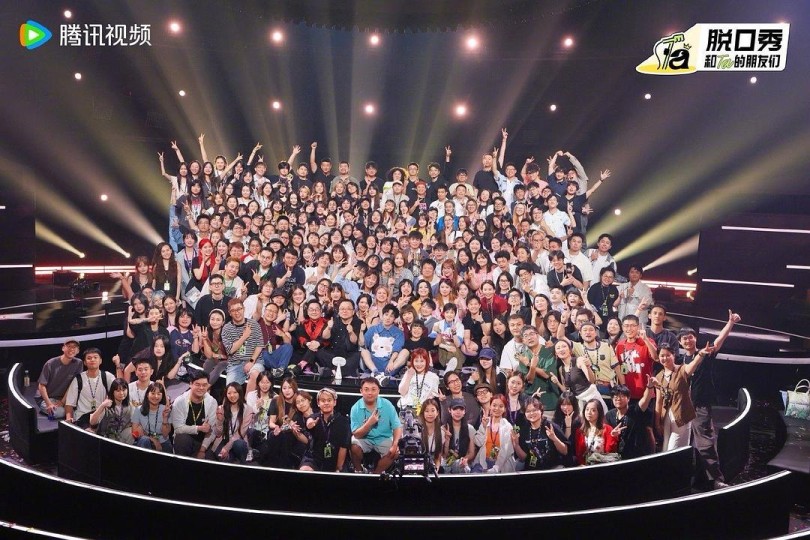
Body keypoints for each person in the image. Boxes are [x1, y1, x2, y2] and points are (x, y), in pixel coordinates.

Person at [676, 309, 741, 489]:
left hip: (699, 405)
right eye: (684, 339)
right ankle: (696, 478)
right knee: (688, 443)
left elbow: (719, 340)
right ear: (680, 342)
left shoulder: (705, 353)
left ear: (695, 338)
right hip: (682, 406)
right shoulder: (680, 359)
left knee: (705, 442)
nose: (688, 340)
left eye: (690, 337)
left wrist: (730, 323)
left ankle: (716, 480)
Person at [350, 376, 402, 474]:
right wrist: (369, 423)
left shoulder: (387, 404)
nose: (370, 393)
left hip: (384, 438)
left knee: (395, 452)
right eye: (366, 389)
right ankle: (359, 471)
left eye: (373, 389)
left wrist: (395, 444)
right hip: (364, 438)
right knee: (354, 447)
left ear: (378, 391)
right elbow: (356, 434)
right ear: (361, 391)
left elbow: (397, 427)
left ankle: (375, 475)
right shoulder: (355, 408)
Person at [300, 388, 352, 472]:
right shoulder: (314, 418)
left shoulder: (343, 421)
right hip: (314, 457)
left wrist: (338, 468)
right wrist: (309, 424)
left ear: (334, 402)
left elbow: (343, 447)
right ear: (318, 403)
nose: (326, 403)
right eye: (323, 401)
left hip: (335, 458)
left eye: (329, 400)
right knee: (305, 470)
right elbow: (309, 420)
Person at [512, 396, 569, 470]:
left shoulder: (551, 426)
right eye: (528, 411)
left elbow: (565, 451)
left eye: (534, 410)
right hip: (532, 470)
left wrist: (554, 438)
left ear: (541, 411)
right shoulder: (524, 430)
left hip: (553, 468)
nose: (531, 413)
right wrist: (516, 445)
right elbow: (524, 458)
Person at [64, 348, 116, 428]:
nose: (92, 360)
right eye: (89, 358)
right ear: (85, 362)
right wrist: (69, 420)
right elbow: (69, 404)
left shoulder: (108, 376)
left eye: (95, 357)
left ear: (100, 361)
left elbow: (119, 391)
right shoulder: (78, 379)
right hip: (83, 417)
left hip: (102, 415)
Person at [171, 372, 218, 459]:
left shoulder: (212, 402)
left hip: (203, 443)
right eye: (197, 384)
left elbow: (212, 430)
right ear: (190, 384)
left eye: (204, 385)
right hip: (184, 440)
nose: (201, 388)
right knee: (182, 438)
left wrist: (202, 450)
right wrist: (199, 428)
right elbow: (178, 428)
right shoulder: (180, 401)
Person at [605, 383, 654, 460]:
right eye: (615, 397)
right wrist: (612, 434)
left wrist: (650, 386)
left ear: (628, 398)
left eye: (622, 396)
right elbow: (606, 436)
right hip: (616, 456)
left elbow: (646, 399)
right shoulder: (609, 415)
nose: (618, 399)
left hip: (636, 454)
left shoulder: (636, 410)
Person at [36, 339, 83, 419]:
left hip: (65, 398)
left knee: (81, 409)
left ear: (78, 351)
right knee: (60, 413)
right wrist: (48, 403)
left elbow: (73, 385)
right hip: (47, 398)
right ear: (63, 348)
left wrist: (62, 401)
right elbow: (41, 385)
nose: (71, 349)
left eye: (74, 347)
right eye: (69, 346)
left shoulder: (78, 363)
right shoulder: (51, 363)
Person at [220, 298, 263, 385]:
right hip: (235, 364)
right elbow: (230, 350)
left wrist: (251, 361)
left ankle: (249, 395)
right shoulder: (226, 328)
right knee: (231, 388)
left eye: (239, 309)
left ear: (244, 309)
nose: (237, 313)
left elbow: (259, 345)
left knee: (254, 374)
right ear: (230, 313)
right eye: (233, 310)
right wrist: (244, 336)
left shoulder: (254, 324)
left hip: (255, 361)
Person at [472, 393, 515, 473]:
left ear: (505, 409)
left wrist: (495, 468)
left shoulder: (507, 426)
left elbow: (505, 451)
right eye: (494, 405)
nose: (497, 408)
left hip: (501, 465)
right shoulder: (486, 422)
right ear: (490, 406)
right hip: (484, 461)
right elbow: (478, 442)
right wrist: (484, 427)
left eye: (501, 406)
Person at [212, 382, 253, 464]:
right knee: (224, 460)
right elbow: (218, 433)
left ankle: (242, 461)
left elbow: (241, 432)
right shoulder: (221, 408)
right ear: (226, 395)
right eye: (229, 393)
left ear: (240, 393)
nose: (232, 395)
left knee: (239, 444)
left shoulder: (248, 409)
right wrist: (219, 421)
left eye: (235, 392)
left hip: (238, 441)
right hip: (223, 440)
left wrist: (227, 447)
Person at [361, 304, 405, 376]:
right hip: (373, 363)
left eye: (391, 316)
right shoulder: (373, 329)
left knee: (405, 352)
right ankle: (375, 372)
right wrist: (361, 331)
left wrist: (391, 361)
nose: (388, 318)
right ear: (382, 315)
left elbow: (396, 350)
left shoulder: (399, 333)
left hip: (390, 365)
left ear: (394, 319)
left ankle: (388, 373)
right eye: (386, 315)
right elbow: (363, 344)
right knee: (363, 350)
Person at [87, 378, 134, 443]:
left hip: (120, 437)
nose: (121, 393)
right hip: (104, 437)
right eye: (118, 391)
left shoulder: (129, 406)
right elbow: (92, 422)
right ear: (112, 392)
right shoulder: (106, 405)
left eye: (123, 390)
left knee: (131, 431)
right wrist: (102, 406)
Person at [575, 398, 619, 465]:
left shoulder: (607, 429)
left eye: (593, 410)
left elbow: (610, 452)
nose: (589, 412)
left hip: (602, 465)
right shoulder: (580, 431)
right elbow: (579, 453)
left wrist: (613, 437)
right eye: (587, 409)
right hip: (585, 466)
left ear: (599, 412)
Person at [131, 382, 173, 452]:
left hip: (163, 442)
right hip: (146, 440)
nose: (156, 396)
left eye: (158, 394)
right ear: (147, 395)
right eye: (153, 393)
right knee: (144, 440)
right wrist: (153, 440)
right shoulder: (139, 410)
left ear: (162, 396)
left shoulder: (165, 410)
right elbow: (135, 432)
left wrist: (165, 418)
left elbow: (165, 434)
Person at [397, 348, 441, 412]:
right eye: (416, 361)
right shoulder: (408, 373)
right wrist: (409, 376)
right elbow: (402, 392)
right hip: (407, 409)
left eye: (422, 361)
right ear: (412, 362)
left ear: (426, 361)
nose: (419, 364)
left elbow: (432, 397)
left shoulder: (433, 377)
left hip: (424, 410)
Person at [440, 398, 477, 473]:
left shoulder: (470, 428)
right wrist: (447, 440)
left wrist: (464, 459)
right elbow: (444, 455)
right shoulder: (443, 429)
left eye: (461, 409)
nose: (458, 412)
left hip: (463, 463)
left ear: (464, 411)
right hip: (447, 463)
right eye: (455, 409)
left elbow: (471, 453)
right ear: (449, 410)